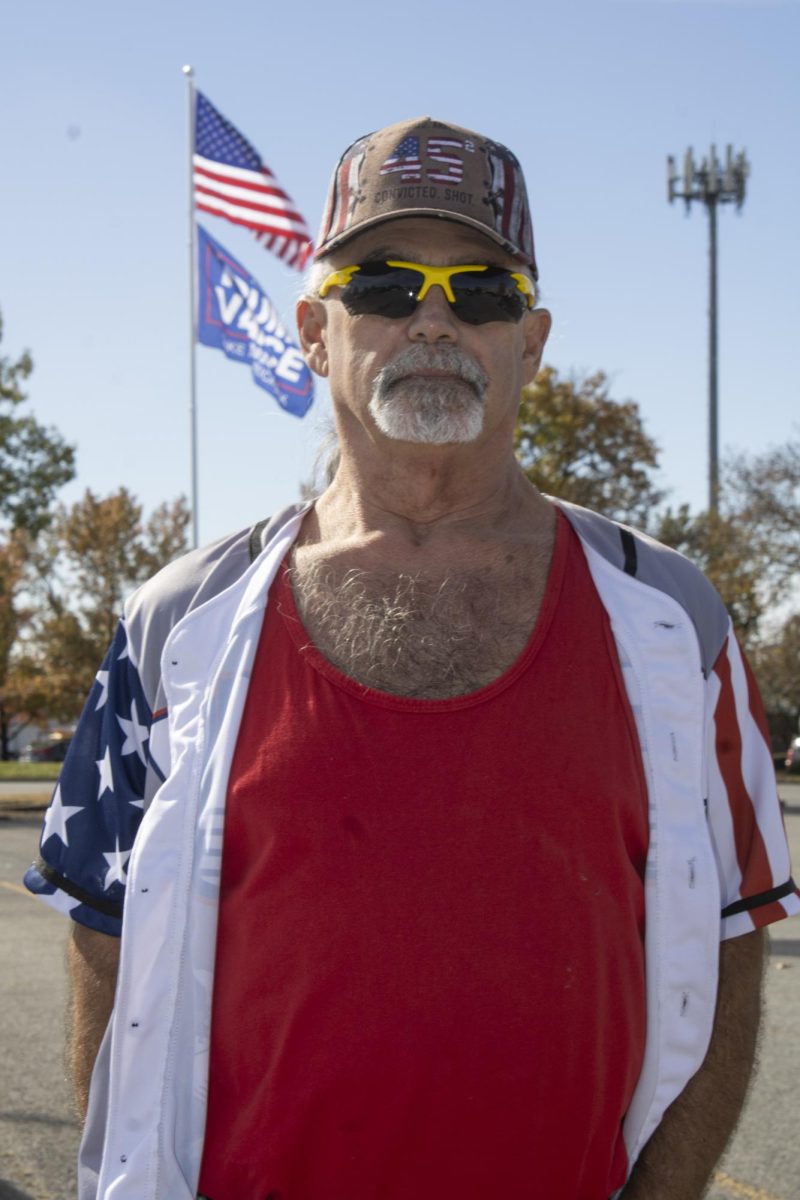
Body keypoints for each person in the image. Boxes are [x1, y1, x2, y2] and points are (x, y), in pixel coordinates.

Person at [26, 117, 798, 1200]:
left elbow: (728, 941)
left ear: (528, 341)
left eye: (478, 290)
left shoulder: (671, 621)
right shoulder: (176, 622)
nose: (432, 318)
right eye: (384, 285)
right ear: (313, 329)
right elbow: (107, 944)